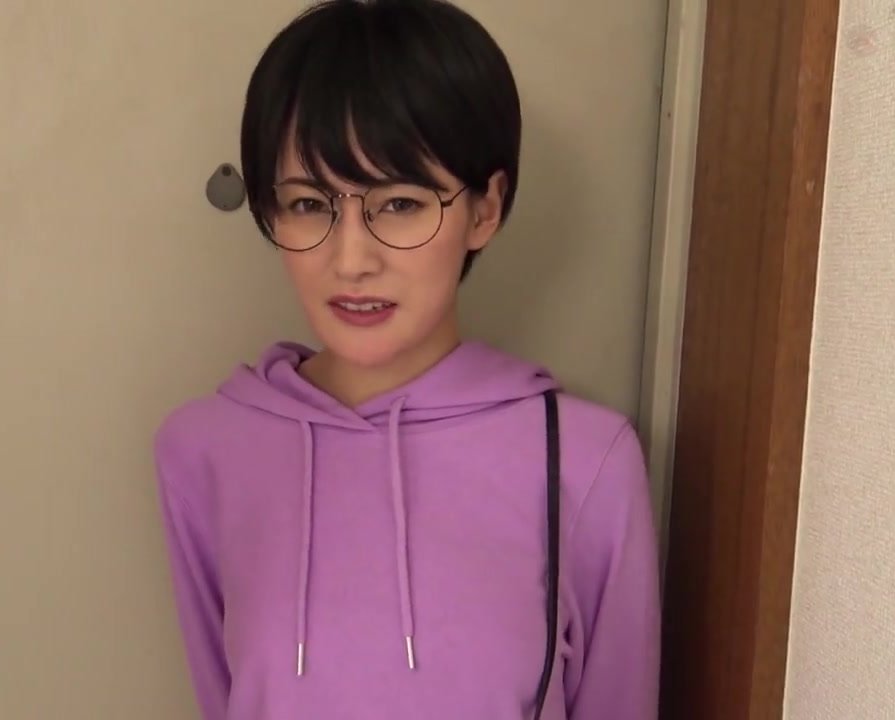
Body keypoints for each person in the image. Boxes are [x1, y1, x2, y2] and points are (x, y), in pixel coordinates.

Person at [152, 1, 660, 718]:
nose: (350, 260)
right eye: (308, 204)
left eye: (399, 204)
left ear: (485, 209)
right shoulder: (204, 452)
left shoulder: (585, 460)